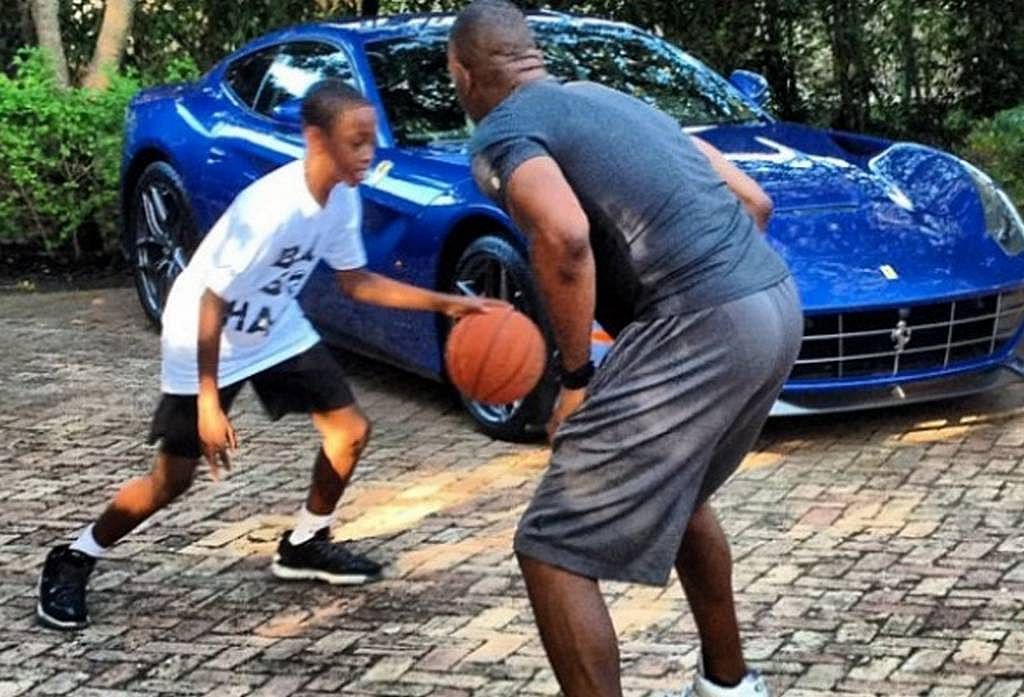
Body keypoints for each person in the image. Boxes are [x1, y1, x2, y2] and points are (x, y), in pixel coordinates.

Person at [36, 79, 505, 631]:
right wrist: (210, 401)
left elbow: (357, 283)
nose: (367, 154)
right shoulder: (272, 208)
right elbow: (211, 300)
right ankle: (75, 556)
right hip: (202, 333)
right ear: (315, 139)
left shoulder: (343, 198)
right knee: (172, 479)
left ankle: (305, 540)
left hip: (273, 325)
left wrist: (445, 302)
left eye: (370, 140)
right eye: (356, 142)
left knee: (349, 431)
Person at [448, 3, 803, 696]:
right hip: (773, 302)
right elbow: (754, 202)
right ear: (532, 54)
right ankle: (730, 684)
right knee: (682, 490)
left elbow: (564, 235)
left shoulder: (502, 133)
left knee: (550, 547)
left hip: (699, 319)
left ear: (461, 73)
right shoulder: (608, 99)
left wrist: (576, 377)